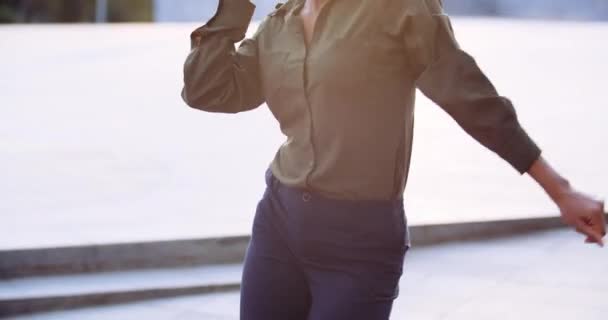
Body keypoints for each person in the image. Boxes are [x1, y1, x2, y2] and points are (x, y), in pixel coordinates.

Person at [181, 0, 606, 319]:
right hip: (279, 223)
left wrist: (560, 190)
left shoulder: (396, 6)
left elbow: (473, 100)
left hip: (358, 242)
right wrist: (233, 9)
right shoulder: (281, 20)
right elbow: (208, 89)